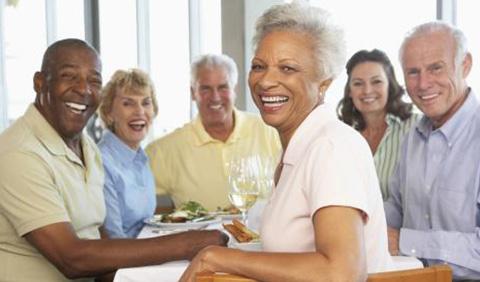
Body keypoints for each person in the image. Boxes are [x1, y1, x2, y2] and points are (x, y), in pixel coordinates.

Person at [180, 3, 393, 281]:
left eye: (287, 68)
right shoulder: (300, 148)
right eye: (259, 66)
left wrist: (216, 256)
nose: (266, 81)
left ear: (324, 84)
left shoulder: (331, 147)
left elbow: (343, 273)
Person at [0, 38, 227, 282]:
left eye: (94, 80)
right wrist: (185, 244)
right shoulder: (19, 152)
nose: (83, 89)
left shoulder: (86, 147)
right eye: (69, 76)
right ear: (40, 82)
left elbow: (100, 236)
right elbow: (71, 258)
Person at [384, 21, 480, 281]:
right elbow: (395, 209)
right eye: (413, 72)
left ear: (465, 65)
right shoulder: (412, 136)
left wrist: (406, 241)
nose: (423, 83)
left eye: (436, 68)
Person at [145, 54, 281, 211]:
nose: (215, 97)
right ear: (192, 93)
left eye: (223, 87)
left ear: (234, 89)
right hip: (197, 236)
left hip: (265, 235)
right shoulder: (162, 151)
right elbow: (139, 208)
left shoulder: (270, 131)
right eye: (205, 89)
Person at [337, 49, 420, 200]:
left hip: (402, 224)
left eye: (376, 82)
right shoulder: (341, 136)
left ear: (390, 84)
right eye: (358, 83)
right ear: (349, 91)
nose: (367, 90)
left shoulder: (417, 127)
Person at [97, 68, 158, 238]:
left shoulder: (141, 158)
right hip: (124, 261)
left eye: (146, 103)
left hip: (144, 254)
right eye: (128, 103)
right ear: (109, 114)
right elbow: (114, 239)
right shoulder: (102, 162)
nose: (139, 111)